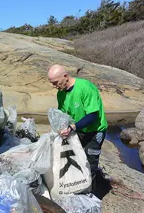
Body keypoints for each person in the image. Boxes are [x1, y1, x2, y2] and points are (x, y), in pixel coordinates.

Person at [47, 64, 108, 192]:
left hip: (94, 131)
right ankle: (78, 187)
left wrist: (72, 127)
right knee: (76, 159)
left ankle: (92, 196)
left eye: (56, 82)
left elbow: (92, 115)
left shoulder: (85, 88)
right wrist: (60, 128)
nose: (55, 86)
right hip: (77, 130)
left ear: (65, 76)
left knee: (90, 164)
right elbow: (63, 115)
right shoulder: (61, 94)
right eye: (52, 84)